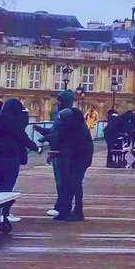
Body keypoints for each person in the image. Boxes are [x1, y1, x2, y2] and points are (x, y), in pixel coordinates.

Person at [45, 89, 94, 220]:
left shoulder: (72, 125)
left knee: (75, 183)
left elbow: (64, 139)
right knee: (70, 182)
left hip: (80, 158)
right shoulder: (74, 123)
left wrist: (53, 148)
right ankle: (66, 210)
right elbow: (60, 135)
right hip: (76, 156)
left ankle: (78, 211)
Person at [0, 97, 32, 192]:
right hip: (12, 156)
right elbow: (22, 136)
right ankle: (1, 206)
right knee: (8, 186)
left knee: (2, 183)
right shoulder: (15, 122)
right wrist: (36, 148)